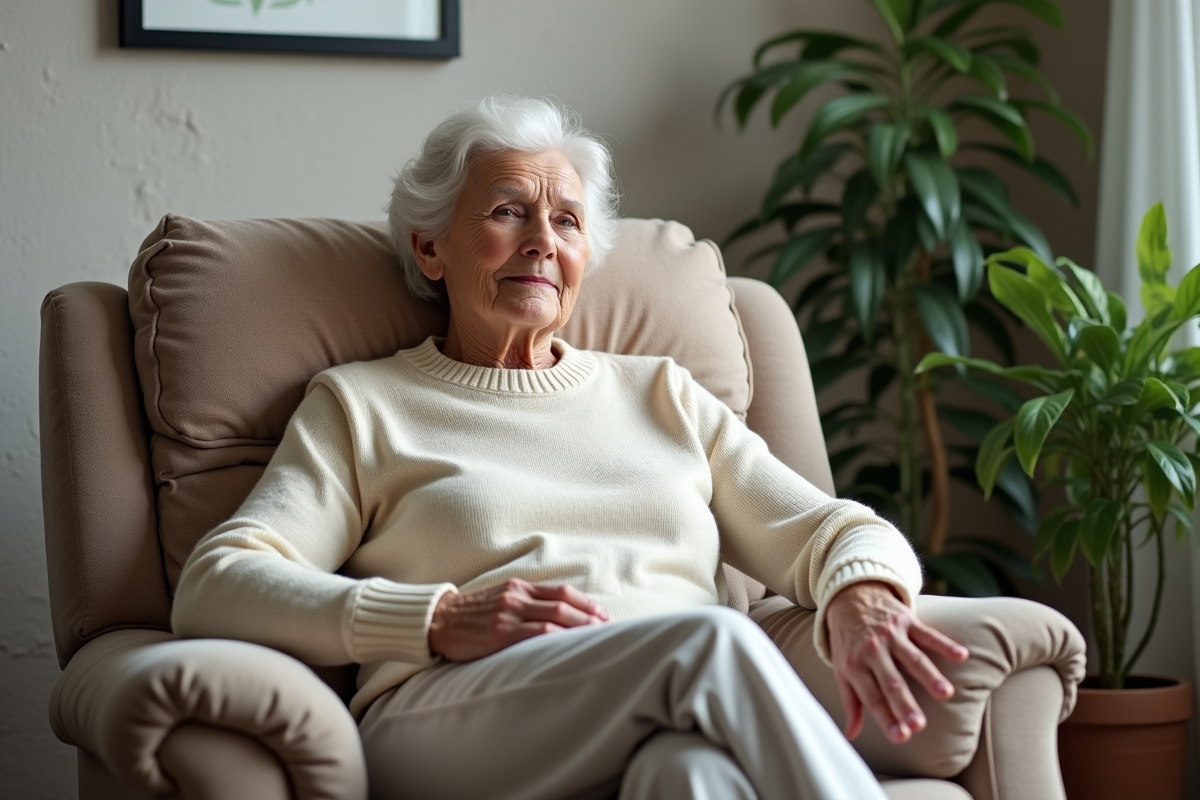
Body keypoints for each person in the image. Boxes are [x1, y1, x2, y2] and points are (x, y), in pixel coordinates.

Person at [172, 95, 968, 800]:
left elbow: (833, 530)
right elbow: (217, 583)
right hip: (449, 718)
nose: (542, 242)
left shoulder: (664, 394)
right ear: (429, 248)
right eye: (508, 212)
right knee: (709, 642)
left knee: (690, 776)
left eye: (567, 220)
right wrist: (435, 618)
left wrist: (864, 596)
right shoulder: (363, 405)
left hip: (666, 702)